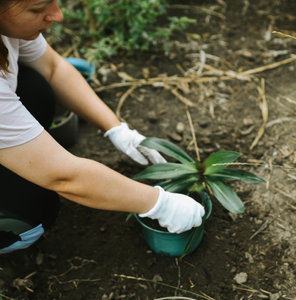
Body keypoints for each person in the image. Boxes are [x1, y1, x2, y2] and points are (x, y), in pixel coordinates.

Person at [0, 0, 204, 254]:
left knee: (36, 86)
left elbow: (53, 68)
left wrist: (117, 129)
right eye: (38, 9)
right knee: (35, 216)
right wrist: (160, 204)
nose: (58, 15)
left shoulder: (10, 28)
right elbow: (64, 177)